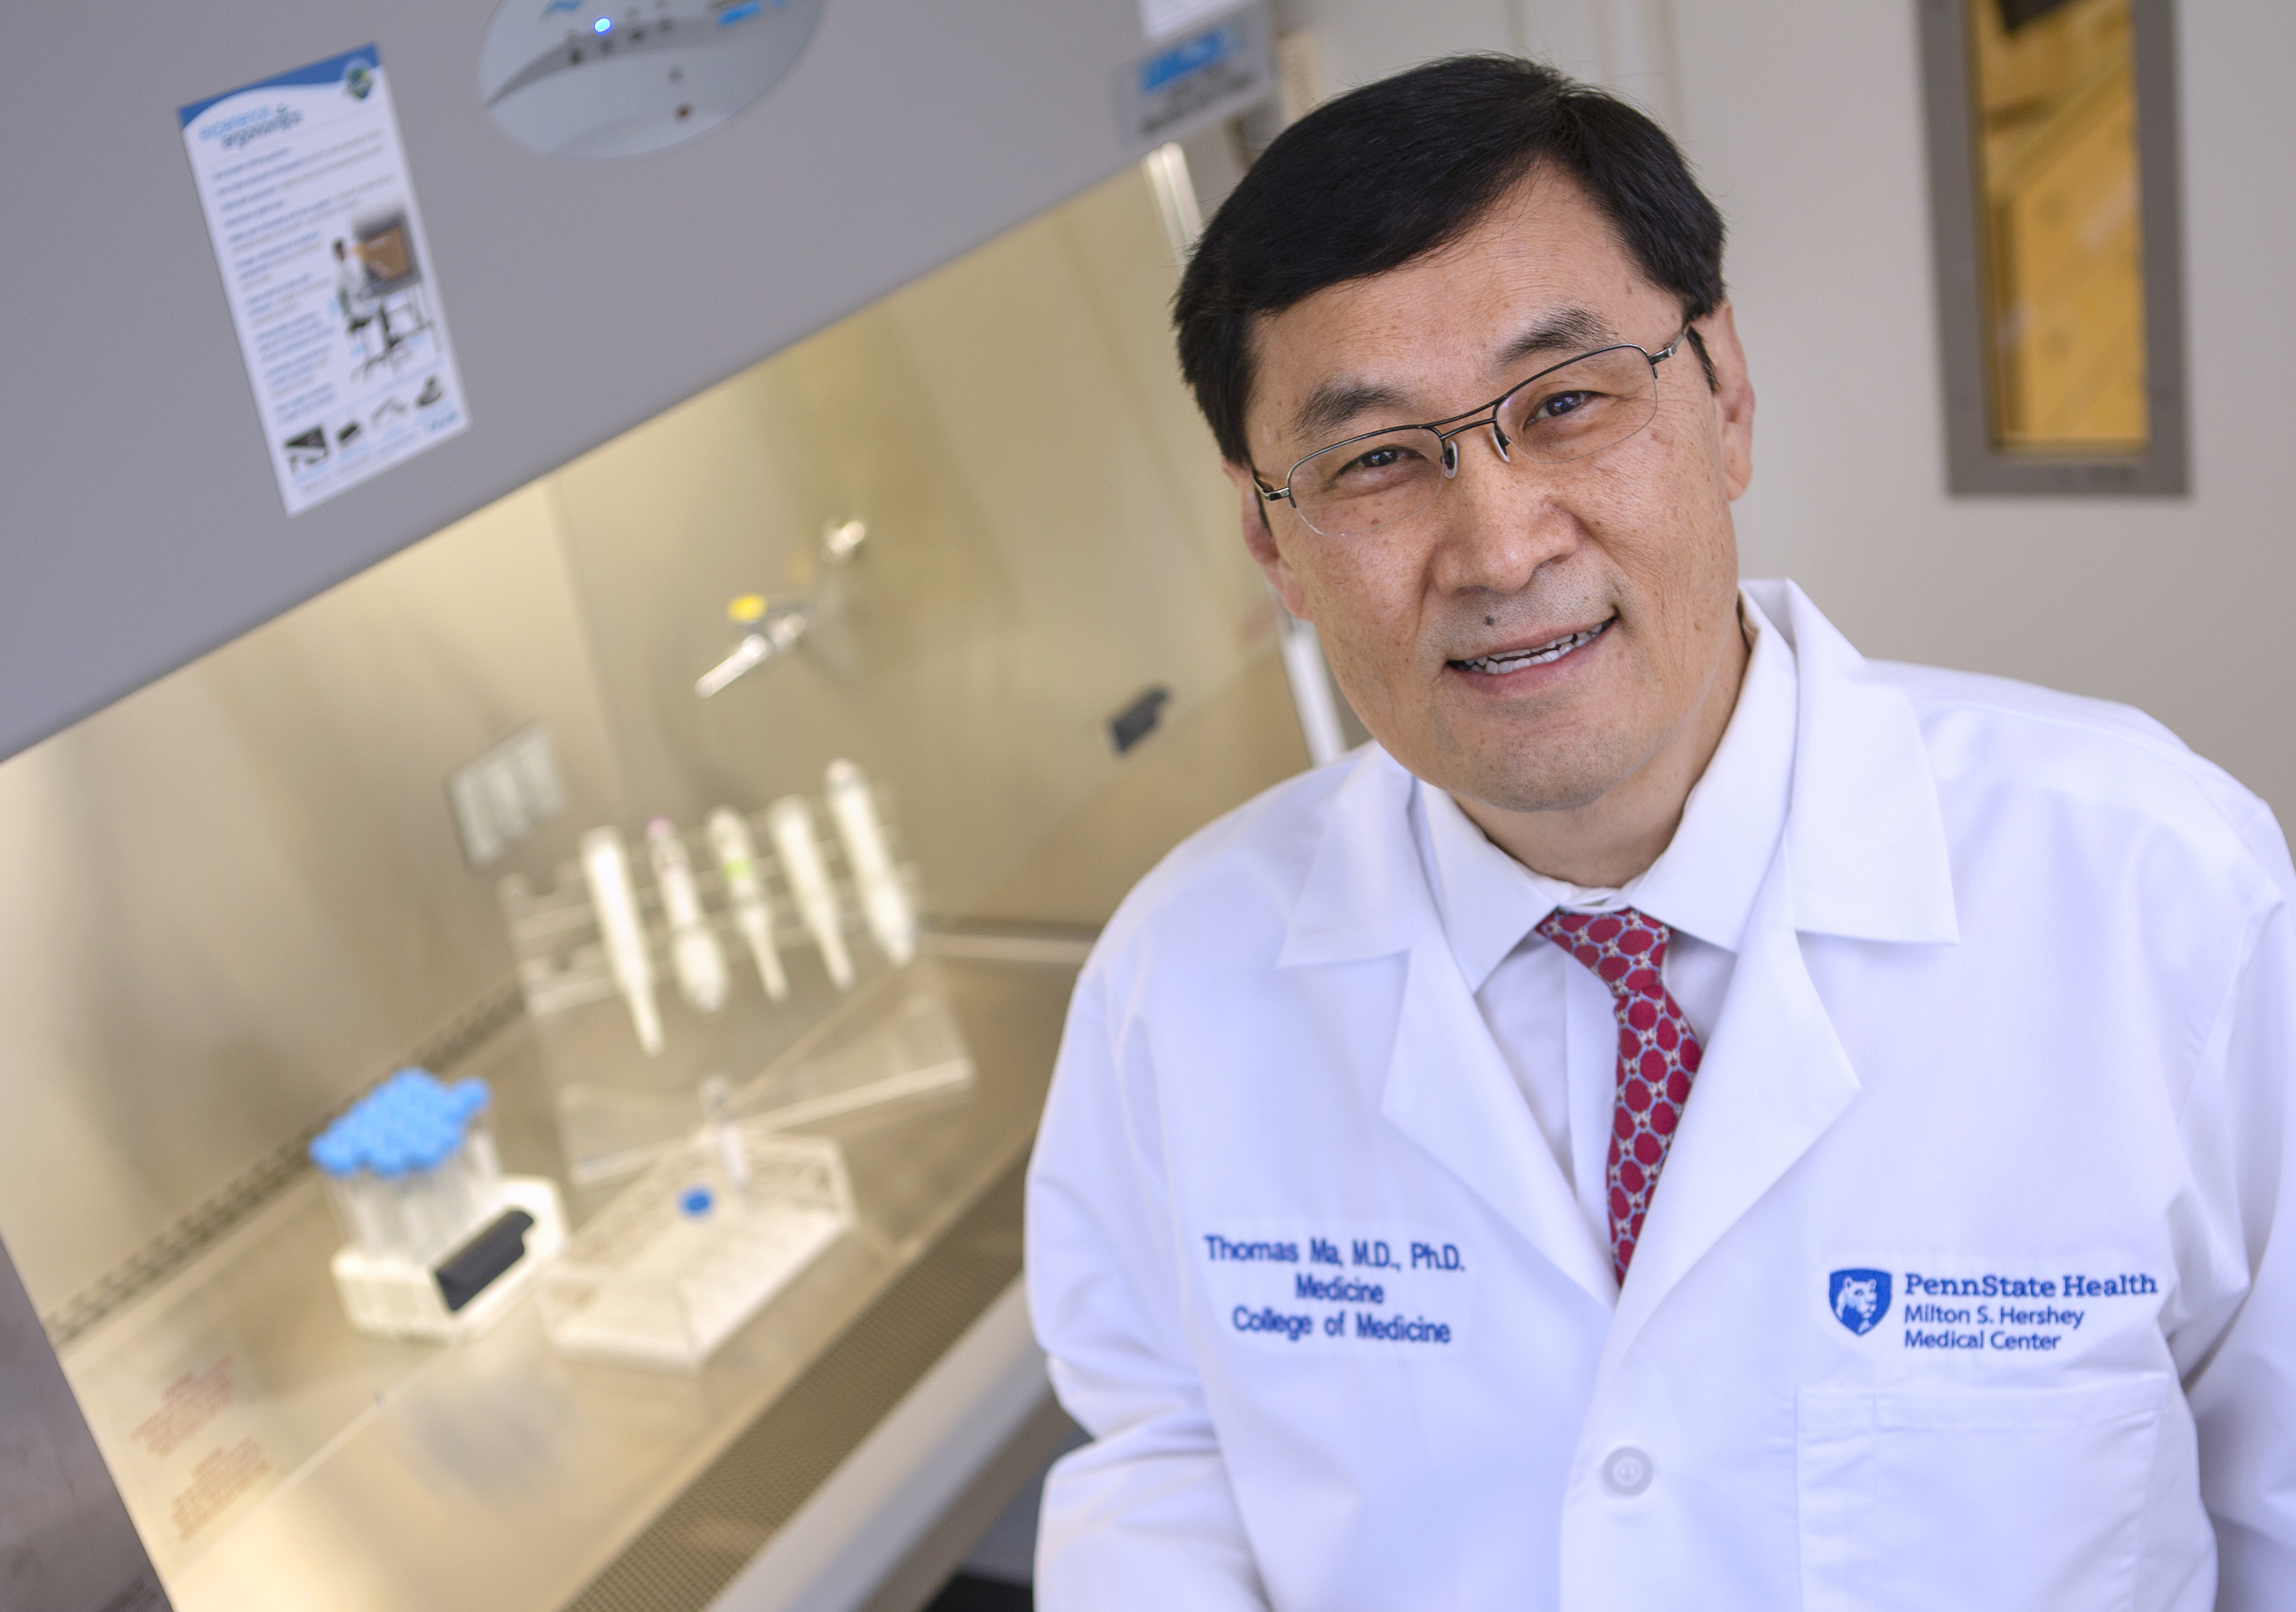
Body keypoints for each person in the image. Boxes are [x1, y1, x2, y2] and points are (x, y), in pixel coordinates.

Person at [1024, 53, 2296, 1611]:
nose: (1497, 546)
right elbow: (1161, 1458)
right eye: (1373, 463)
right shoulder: (1180, 973)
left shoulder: (2158, 892)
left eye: (1564, 404)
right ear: (1269, 542)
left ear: (1725, 398)